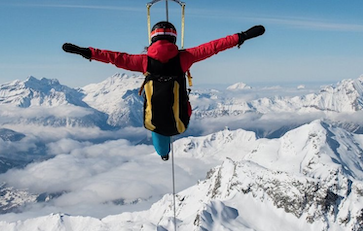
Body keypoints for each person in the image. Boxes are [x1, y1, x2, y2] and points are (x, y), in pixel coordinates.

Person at [63, 21, 265, 160]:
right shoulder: (185, 58)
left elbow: (113, 57)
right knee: (177, 110)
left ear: (152, 39)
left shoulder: (143, 62)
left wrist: (86, 52)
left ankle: (163, 153)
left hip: (154, 121)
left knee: (157, 125)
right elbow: (214, 46)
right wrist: (242, 36)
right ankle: (166, 146)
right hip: (180, 123)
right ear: (174, 39)